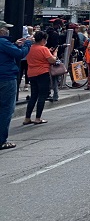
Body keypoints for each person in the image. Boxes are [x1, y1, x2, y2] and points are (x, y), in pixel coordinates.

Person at [0, 21, 31, 150]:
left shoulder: (5, 44)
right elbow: (19, 54)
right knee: (6, 109)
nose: (8, 31)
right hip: (6, 77)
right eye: (6, 29)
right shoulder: (2, 42)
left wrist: (15, 45)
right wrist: (28, 43)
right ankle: (2, 140)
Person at [23, 31, 59, 126]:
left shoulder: (30, 48)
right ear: (43, 39)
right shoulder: (43, 49)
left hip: (31, 73)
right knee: (42, 96)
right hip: (42, 73)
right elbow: (52, 60)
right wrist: (54, 53)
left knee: (33, 96)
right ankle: (38, 118)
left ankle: (27, 118)